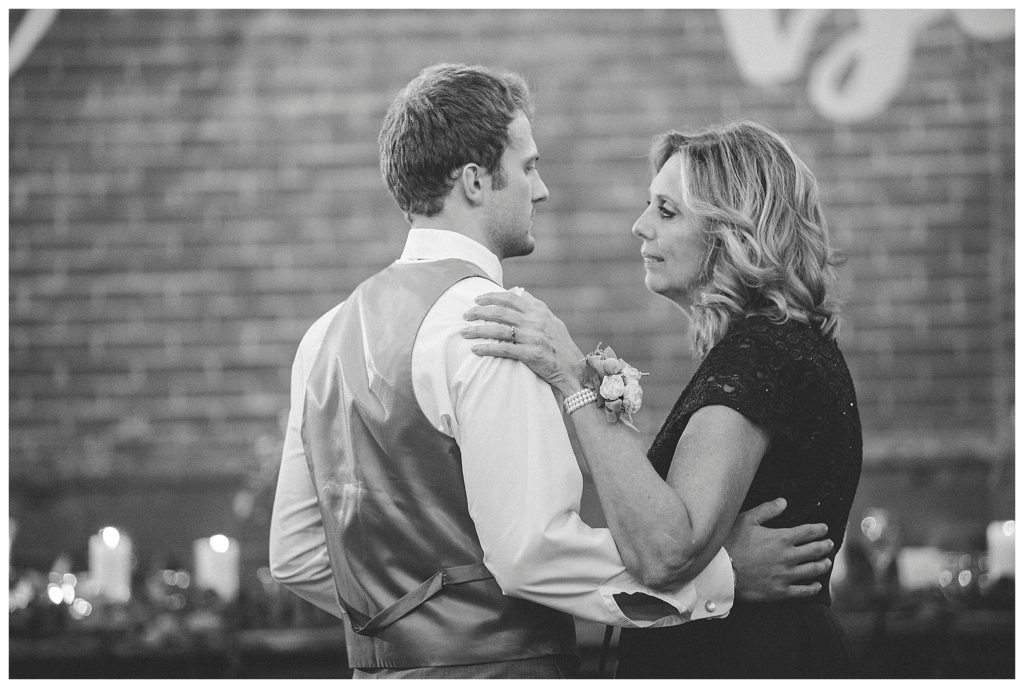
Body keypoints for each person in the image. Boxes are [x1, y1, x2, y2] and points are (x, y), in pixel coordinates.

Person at [269, 65, 835, 679]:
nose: (540, 191)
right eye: (530, 166)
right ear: (477, 181)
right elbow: (530, 554)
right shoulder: (495, 327)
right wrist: (718, 576)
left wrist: (411, 624)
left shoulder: (323, 335)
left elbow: (296, 555)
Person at [463, 121, 862, 678]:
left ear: (733, 233)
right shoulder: (781, 346)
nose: (640, 226)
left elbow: (665, 551)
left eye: (667, 211)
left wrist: (573, 374)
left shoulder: (763, 355)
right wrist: (727, 568)